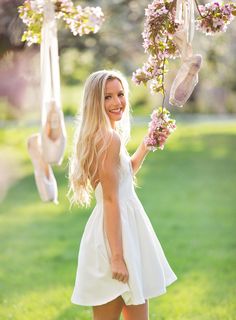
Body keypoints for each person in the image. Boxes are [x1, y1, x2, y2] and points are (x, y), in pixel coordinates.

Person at [68, 70, 177, 320]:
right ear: (95, 102)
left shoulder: (105, 135)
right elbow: (110, 199)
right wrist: (117, 258)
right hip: (115, 239)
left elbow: (123, 175)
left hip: (125, 231)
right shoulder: (108, 138)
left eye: (120, 94)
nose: (117, 102)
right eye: (107, 97)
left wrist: (147, 143)